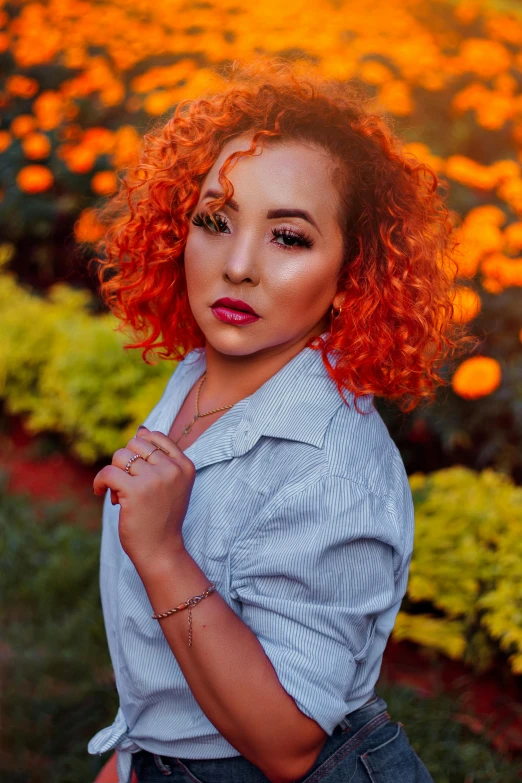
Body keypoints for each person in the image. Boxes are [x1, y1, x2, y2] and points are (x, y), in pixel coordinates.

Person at [86, 57, 474, 783]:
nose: (237, 265)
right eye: (215, 220)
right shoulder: (203, 372)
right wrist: (138, 753)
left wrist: (164, 553)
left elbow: (287, 744)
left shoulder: (333, 469)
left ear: (351, 273)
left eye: (288, 237)